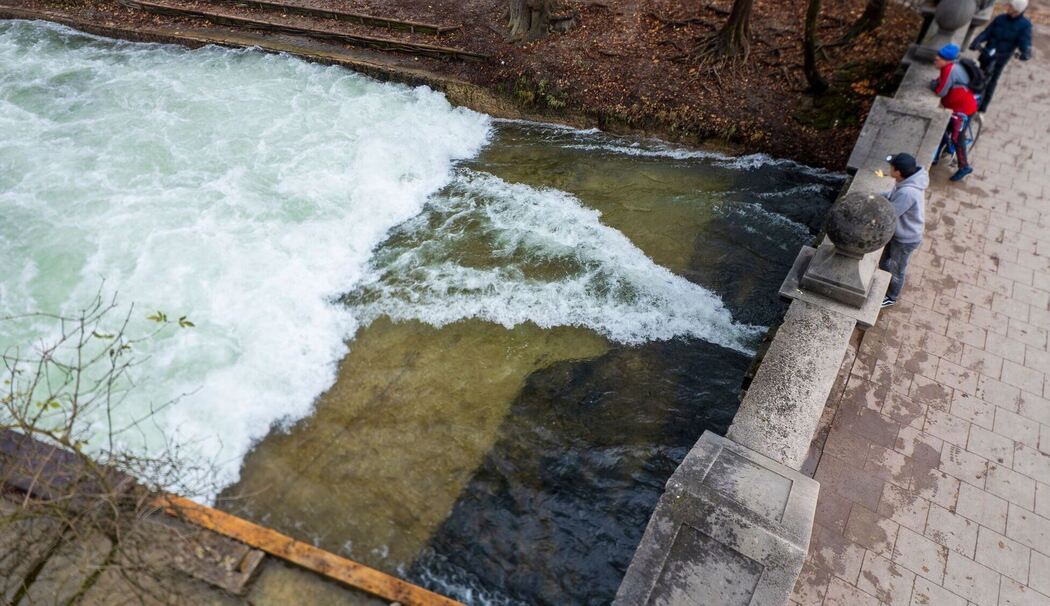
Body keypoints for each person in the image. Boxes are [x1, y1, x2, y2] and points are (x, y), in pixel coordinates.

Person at [880, 153, 928, 309]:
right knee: (885, 262)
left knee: (897, 269)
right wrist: (878, 197)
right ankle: (884, 282)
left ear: (898, 172)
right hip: (898, 234)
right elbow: (892, 196)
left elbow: (890, 214)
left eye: (892, 167)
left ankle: (891, 297)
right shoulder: (906, 182)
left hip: (905, 240)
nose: (890, 169)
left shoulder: (907, 192)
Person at [969, 0, 1033, 113]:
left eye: (1010, 5)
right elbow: (987, 32)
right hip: (986, 53)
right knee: (977, 75)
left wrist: (1026, 52)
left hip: (1000, 58)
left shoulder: (1025, 26)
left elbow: (1025, 42)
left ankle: (981, 109)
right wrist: (977, 41)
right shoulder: (1000, 18)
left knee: (991, 81)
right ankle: (968, 101)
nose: (1007, 6)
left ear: (1017, 9)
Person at [929, 43, 979, 181]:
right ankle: (936, 155)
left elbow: (941, 91)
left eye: (938, 58)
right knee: (944, 128)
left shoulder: (949, 70)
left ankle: (964, 167)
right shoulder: (953, 67)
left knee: (957, 138)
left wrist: (933, 85)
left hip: (962, 111)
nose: (935, 59)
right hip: (961, 107)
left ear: (947, 60)